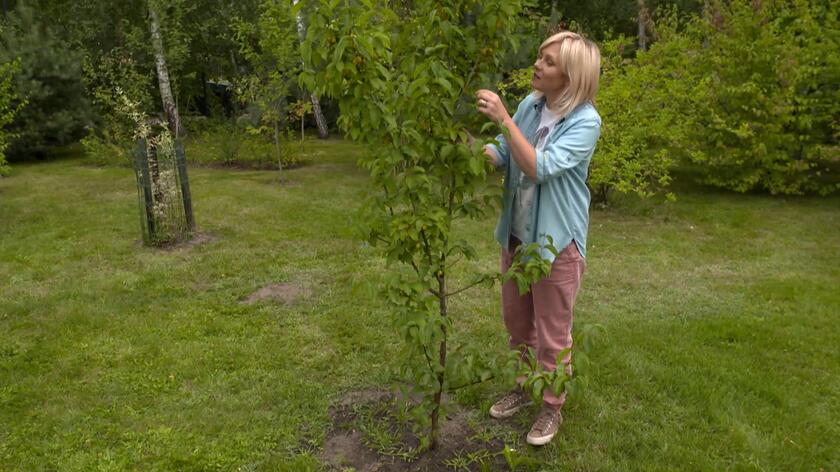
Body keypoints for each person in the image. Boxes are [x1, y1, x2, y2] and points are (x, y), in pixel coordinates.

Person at [475, 31, 602, 446]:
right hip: (516, 236)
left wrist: (502, 119)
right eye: (540, 58)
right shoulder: (531, 105)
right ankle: (521, 386)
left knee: (552, 333)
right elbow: (509, 149)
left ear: (570, 75)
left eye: (547, 62)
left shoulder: (585, 121)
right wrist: (484, 155)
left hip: (555, 244)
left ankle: (551, 406)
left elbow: (541, 167)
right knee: (516, 322)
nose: (537, 65)